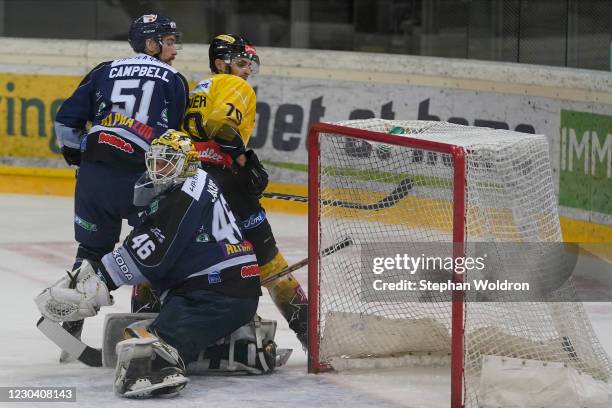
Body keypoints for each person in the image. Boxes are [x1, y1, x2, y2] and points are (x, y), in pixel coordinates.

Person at [36, 130, 262, 398]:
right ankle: (234, 347)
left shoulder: (187, 191)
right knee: (138, 336)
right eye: (154, 162)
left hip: (217, 293)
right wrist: (96, 277)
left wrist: (97, 284)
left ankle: (165, 368)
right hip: (215, 289)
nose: (158, 169)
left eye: (166, 162)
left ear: (186, 164)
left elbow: (150, 252)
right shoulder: (187, 185)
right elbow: (147, 239)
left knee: (147, 354)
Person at [53, 14, 189, 360]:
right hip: (141, 176)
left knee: (89, 253)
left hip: (95, 176)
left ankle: (68, 333)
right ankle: (142, 333)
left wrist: (80, 157)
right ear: (150, 43)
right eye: (169, 41)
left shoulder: (103, 70)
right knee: (150, 251)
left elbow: (66, 122)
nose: (175, 49)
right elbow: (173, 141)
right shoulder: (174, 79)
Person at [181, 34, 308, 347]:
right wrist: (244, 160)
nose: (247, 71)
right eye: (240, 63)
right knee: (268, 258)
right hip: (225, 183)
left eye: (250, 65)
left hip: (188, 179)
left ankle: (144, 320)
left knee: (174, 251)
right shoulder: (235, 86)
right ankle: (310, 334)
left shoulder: (199, 87)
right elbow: (222, 125)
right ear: (220, 62)